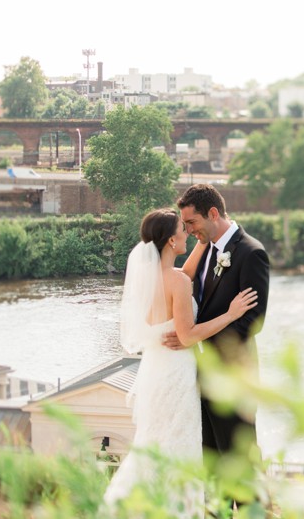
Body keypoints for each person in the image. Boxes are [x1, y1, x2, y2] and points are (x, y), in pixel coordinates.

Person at [103, 208, 258, 517]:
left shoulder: (150, 280)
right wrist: (232, 313)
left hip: (155, 372)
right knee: (179, 443)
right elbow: (187, 336)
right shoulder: (178, 282)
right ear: (172, 240)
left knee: (155, 441)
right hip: (177, 373)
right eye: (183, 230)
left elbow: (183, 274)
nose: (188, 232)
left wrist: (204, 238)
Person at [168, 184, 270, 481]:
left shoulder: (251, 253)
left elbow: (253, 320)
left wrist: (196, 336)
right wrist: (186, 333)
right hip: (200, 374)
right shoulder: (206, 251)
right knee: (213, 465)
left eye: (191, 223)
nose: (187, 231)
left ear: (212, 213)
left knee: (241, 461)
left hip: (234, 375)